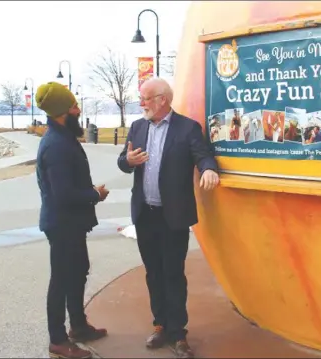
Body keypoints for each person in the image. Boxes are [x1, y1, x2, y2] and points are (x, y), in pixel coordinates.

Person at [118, 78, 219, 359]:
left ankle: (178, 334)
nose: (141, 104)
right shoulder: (138, 127)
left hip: (172, 217)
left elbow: (203, 155)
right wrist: (128, 162)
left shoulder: (187, 128)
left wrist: (209, 170)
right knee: (153, 273)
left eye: (145, 99)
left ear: (163, 99)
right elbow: (122, 160)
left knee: (173, 274)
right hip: (145, 214)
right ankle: (160, 325)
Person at [35, 82, 110, 359]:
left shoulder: (61, 137)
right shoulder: (56, 145)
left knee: (78, 272)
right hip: (62, 224)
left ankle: (78, 326)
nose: (78, 109)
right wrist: (94, 194)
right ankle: (58, 339)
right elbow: (63, 194)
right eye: (73, 105)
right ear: (62, 111)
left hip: (71, 224)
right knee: (63, 279)